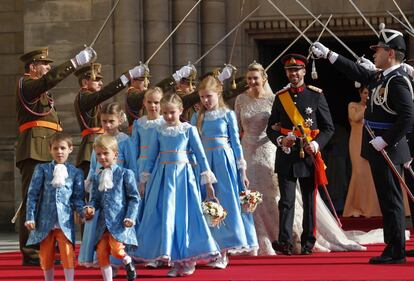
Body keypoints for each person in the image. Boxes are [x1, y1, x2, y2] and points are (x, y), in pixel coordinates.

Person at [311, 26, 414, 263]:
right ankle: (393, 246)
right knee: (387, 199)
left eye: (378, 50)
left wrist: (385, 140)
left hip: (388, 148)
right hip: (378, 146)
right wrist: (329, 54)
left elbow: (408, 116)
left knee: (391, 200)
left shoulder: (397, 81)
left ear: (390, 54)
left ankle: (395, 250)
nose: (374, 55)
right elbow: (355, 71)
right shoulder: (381, 76)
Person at [16, 46, 95, 265]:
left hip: (47, 150)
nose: (48, 67)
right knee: (33, 200)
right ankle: (31, 252)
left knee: (49, 201)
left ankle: (47, 246)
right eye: (45, 64)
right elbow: (48, 80)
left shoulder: (40, 91)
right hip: (33, 150)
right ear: (33, 67)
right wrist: (74, 63)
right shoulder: (27, 84)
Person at [134, 94, 220, 277]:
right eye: (165, 113)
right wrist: (144, 180)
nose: (168, 116)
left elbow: (201, 155)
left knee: (184, 216)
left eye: (172, 112)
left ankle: (188, 260)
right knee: (167, 216)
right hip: (163, 178)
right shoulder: (159, 129)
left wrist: (208, 182)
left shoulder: (188, 129)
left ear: (181, 111)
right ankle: (174, 259)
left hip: (183, 178)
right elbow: (150, 157)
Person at [266, 53, 335, 255]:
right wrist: (280, 140)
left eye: (297, 70)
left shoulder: (316, 95)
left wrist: (315, 144)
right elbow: (271, 128)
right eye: (290, 70)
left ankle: (308, 242)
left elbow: (328, 128)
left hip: (308, 156)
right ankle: (285, 241)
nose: (293, 74)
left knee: (309, 200)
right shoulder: (281, 97)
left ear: (304, 71)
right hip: (287, 155)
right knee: (286, 201)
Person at [192, 75, 258, 267]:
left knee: (226, 201)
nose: (205, 101)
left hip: (224, 163)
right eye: (202, 97)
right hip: (205, 164)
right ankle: (210, 247)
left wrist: (242, 171)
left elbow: (236, 144)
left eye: (209, 96)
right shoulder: (197, 117)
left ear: (218, 93)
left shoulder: (227, 114)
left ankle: (224, 250)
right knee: (206, 202)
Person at [25, 133, 85, 281]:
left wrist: (83, 212)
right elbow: (32, 195)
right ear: (50, 150)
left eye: (63, 148)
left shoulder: (76, 172)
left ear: (70, 149)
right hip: (44, 221)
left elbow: (77, 198)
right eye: (56, 148)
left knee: (67, 253)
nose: (59, 152)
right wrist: (30, 217)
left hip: (64, 222)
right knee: (46, 255)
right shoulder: (42, 169)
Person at [234, 62, 280, 255]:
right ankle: (254, 237)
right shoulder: (240, 99)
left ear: (264, 79)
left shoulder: (273, 99)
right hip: (247, 149)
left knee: (271, 191)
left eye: (255, 78)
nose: (252, 82)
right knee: (249, 191)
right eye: (249, 79)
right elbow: (236, 127)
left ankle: (278, 236)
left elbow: (279, 125)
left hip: (267, 148)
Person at [74, 62, 148, 177]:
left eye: (111, 121)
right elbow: (104, 93)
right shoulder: (84, 97)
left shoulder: (89, 98)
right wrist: (128, 76)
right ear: (85, 82)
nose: (101, 83)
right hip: (90, 148)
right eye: (96, 80)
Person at [84, 135, 139, 281]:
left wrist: (130, 217)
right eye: (98, 154)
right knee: (101, 252)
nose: (102, 157)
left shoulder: (125, 174)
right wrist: (90, 208)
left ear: (115, 154)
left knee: (116, 250)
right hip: (102, 224)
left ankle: (127, 261)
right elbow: (95, 199)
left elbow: (134, 198)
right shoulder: (97, 177)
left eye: (105, 153)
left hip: (119, 222)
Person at [343, 86, 382, 218]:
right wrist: (368, 107)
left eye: (369, 93)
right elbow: (354, 117)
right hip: (356, 142)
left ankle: (372, 209)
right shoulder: (353, 105)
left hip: (370, 142)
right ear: (360, 93)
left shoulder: (374, 107)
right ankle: (356, 207)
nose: (367, 95)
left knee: (371, 173)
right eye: (365, 93)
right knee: (358, 172)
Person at [125, 63, 150, 131]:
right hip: (136, 131)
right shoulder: (132, 94)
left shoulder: (135, 92)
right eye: (143, 79)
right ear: (133, 81)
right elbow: (141, 96)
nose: (147, 82)